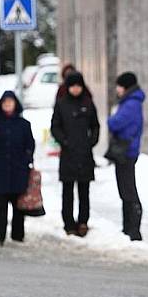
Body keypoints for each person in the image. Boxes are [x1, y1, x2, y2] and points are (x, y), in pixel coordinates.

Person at [0, 91, 35, 246]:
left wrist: (27, 157)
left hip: (18, 170)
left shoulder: (24, 124)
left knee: (19, 207)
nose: (8, 105)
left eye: (11, 103)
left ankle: (17, 236)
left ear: (16, 104)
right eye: (5, 103)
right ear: (1, 105)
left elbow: (30, 144)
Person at [50, 72, 100, 237]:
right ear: (68, 87)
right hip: (68, 154)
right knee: (68, 191)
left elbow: (95, 126)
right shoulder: (61, 104)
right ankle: (69, 223)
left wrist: (91, 141)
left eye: (78, 85)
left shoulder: (88, 103)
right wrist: (64, 141)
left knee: (84, 191)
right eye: (73, 86)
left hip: (85, 154)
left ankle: (83, 222)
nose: (76, 89)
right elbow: (55, 126)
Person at [108, 71, 145, 241]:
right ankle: (128, 228)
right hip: (126, 151)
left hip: (126, 152)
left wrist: (111, 118)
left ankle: (133, 230)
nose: (117, 89)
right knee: (125, 190)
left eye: (119, 86)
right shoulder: (132, 102)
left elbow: (115, 123)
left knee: (128, 190)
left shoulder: (131, 103)